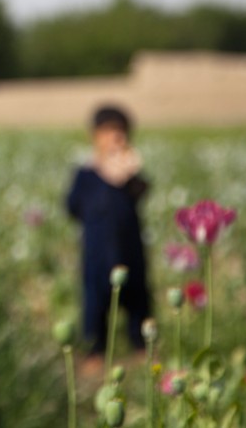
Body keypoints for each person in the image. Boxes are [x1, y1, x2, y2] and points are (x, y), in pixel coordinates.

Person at [65, 105, 151, 369]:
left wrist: (129, 173)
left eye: (121, 132)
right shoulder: (86, 172)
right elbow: (71, 205)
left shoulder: (130, 173)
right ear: (95, 136)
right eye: (109, 132)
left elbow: (143, 193)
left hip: (130, 248)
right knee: (95, 301)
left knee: (137, 298)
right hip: (97, 250)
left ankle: (141, 346)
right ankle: (94, 352)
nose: (115, 138)